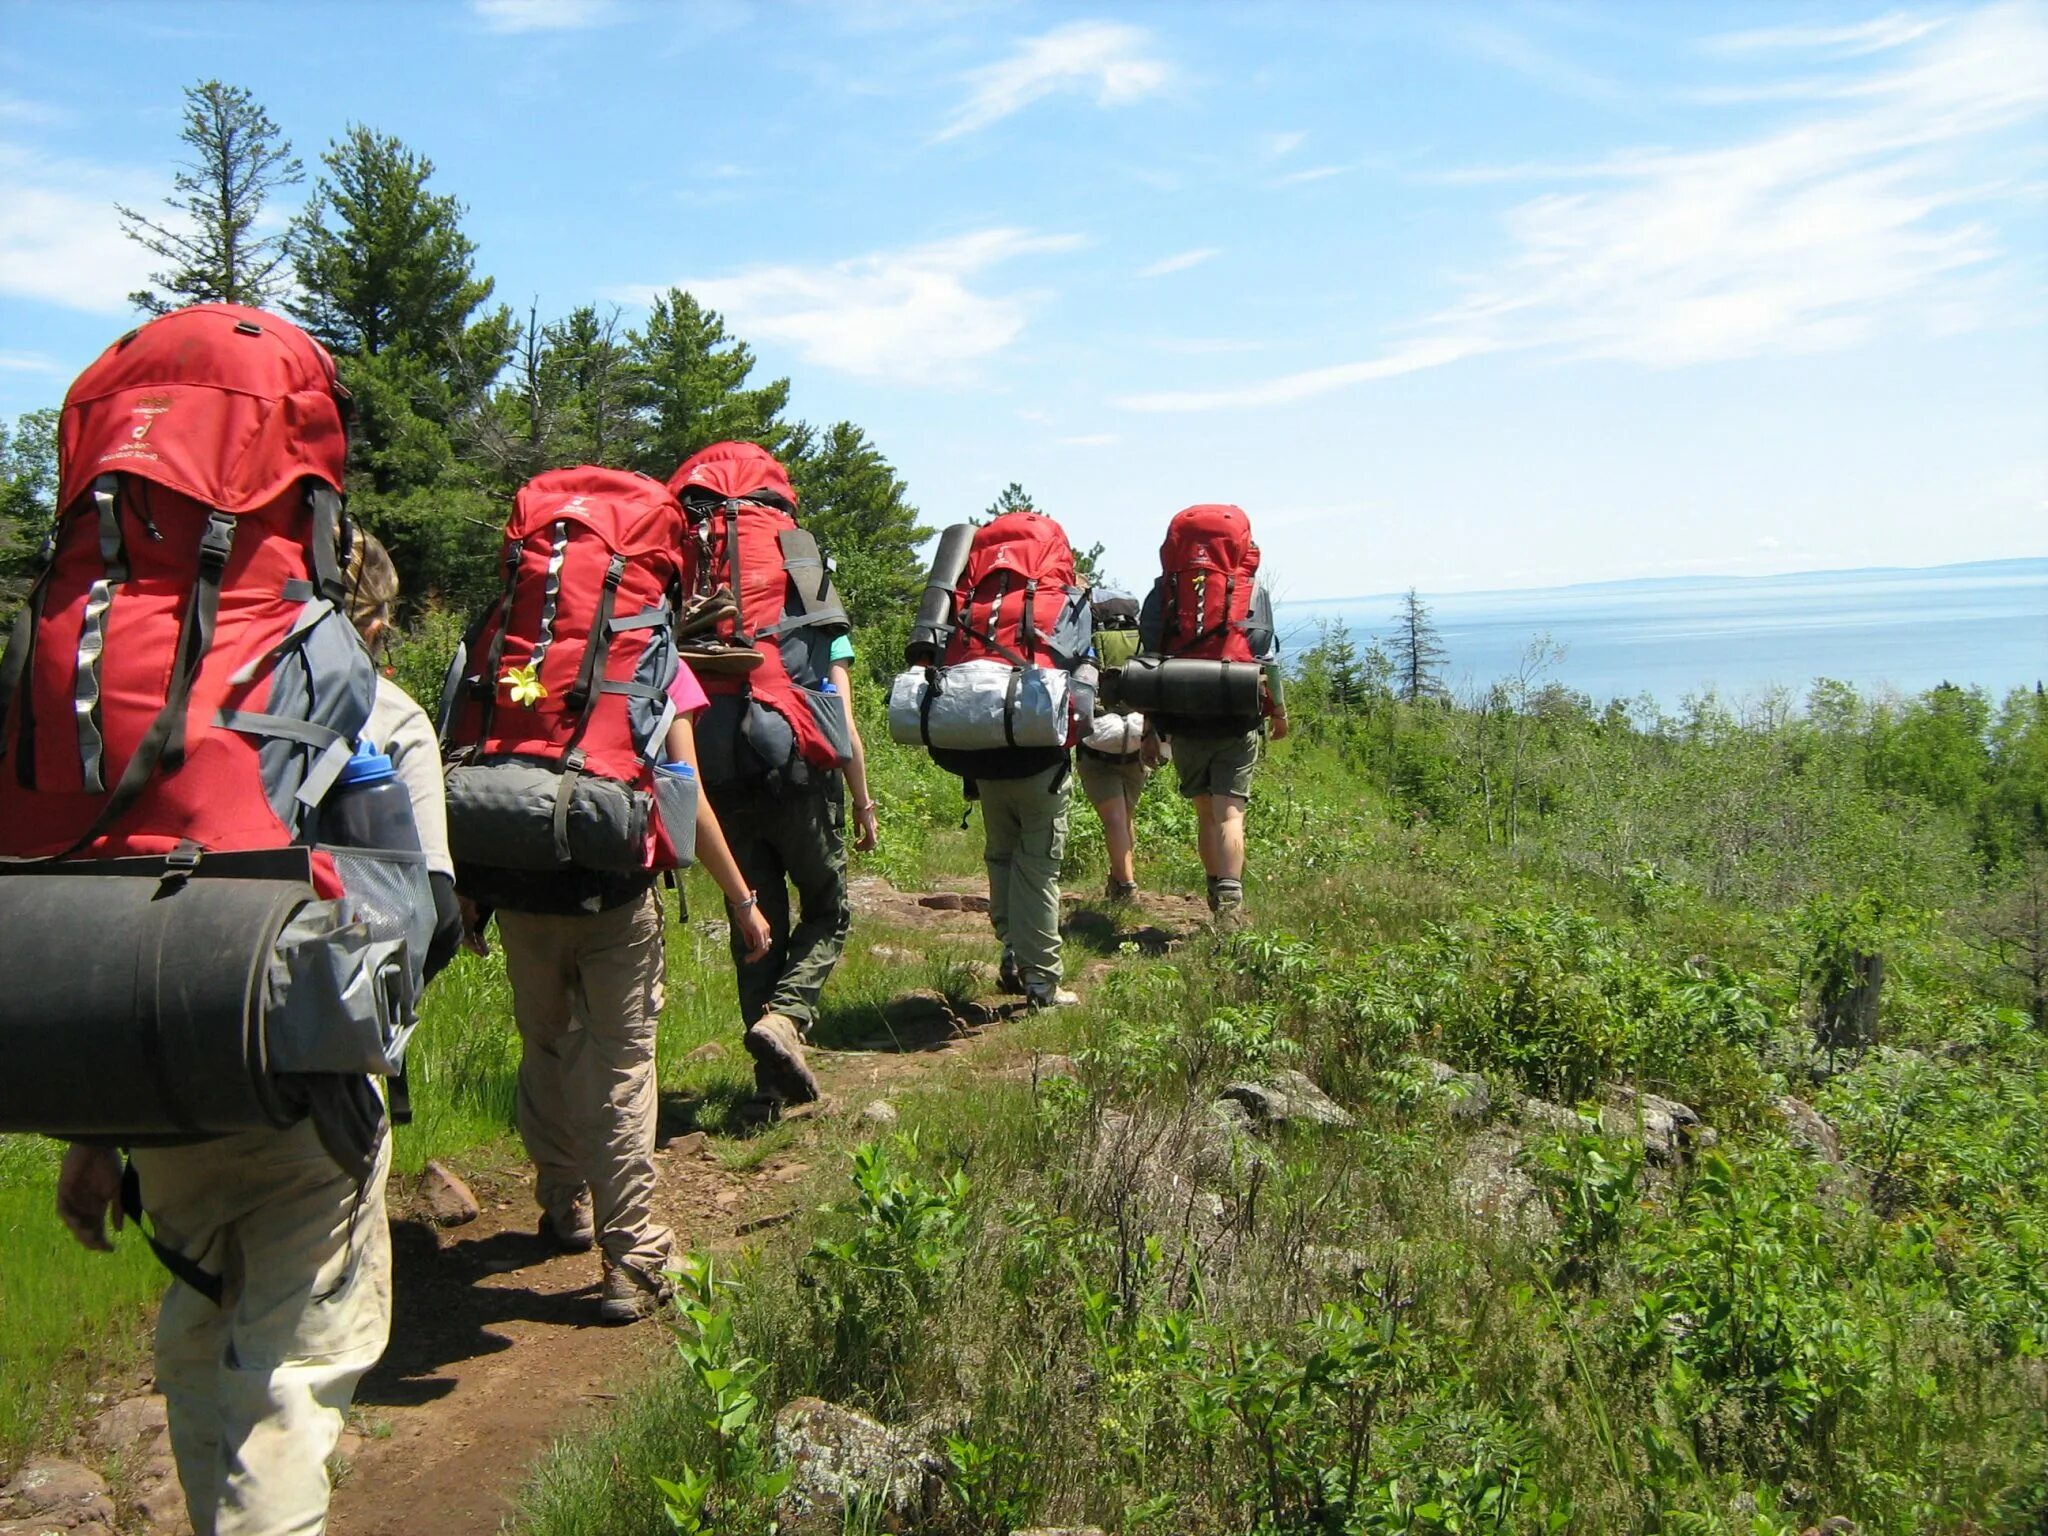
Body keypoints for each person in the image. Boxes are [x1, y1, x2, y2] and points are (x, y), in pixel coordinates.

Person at [55, 525, 461, 1536]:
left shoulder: (153, 702)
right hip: (310, 1096)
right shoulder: (386, 714)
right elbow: (432, 921)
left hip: (156, 1083)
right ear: (365, 619)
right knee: (288, 1383)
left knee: (197, 1341)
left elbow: (112, 904)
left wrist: (93, 1127)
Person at [464, 659, 772, 1323]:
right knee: (623, 1062)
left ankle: (565, 1202)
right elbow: (686, 793)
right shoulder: (659, 661)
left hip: (519, 886)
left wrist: (467, 889)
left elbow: (472, 757)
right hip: (614, 897)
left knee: (544, 1042)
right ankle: (628, 1259)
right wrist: (741, 897)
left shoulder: (517, 642)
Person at [666, 442, 874, 1117]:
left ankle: (765, 1086)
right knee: (829, 908)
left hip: (713, 761)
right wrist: (863, 797)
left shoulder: (688, 560)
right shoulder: (802, 559)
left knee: (752, 913)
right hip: (795, 759)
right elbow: (840, 706)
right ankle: (786, 1018)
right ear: (779, 505)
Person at [899, 507, 1096, 1009]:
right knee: (1039, 866)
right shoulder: (1064, 602)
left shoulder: (965, 603)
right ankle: (1042, 982)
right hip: (1038, 759)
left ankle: (1011, 950)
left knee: (1001, 854)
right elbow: (1084, 686)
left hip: (980, 754)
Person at [1138, 504, 1289, 931]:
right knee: (1230, 813)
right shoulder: (1251, 591)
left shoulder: (1163, 594)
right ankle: (1230, 903)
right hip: (1235, 716)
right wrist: (1278, 711)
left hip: (1183, 719)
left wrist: (1151, 730)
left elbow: (1150, 663)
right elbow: (1265, 656)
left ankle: (1213, 893)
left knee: (1205, 813)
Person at [1079, 591, 1150, 902]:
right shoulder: (1142, 643)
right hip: (1136, 741)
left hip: (1098, 742)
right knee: (1125, 817)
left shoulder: (1088, 641)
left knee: (1115, 819)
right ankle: (1120, 877)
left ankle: (1125, 887)